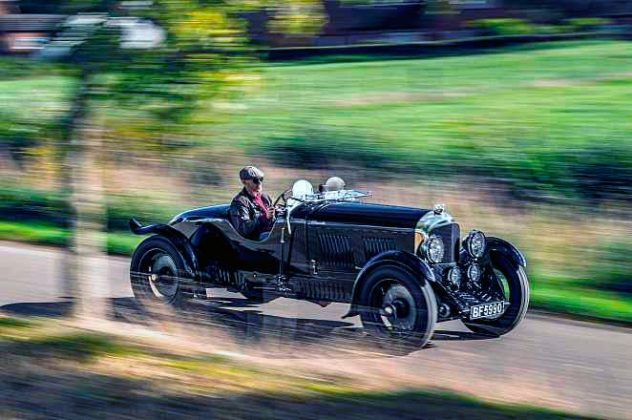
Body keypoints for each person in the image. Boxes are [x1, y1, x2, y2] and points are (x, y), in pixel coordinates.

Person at [229, 166, 275, 240]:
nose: (259, 183)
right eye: (256, 180)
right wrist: (264, 218)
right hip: (257, 239)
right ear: (244, 182)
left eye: (261, 179)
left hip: (272, 231)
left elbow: (272, 219)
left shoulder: (266, 197)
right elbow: (244, 229)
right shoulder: (240, 202)